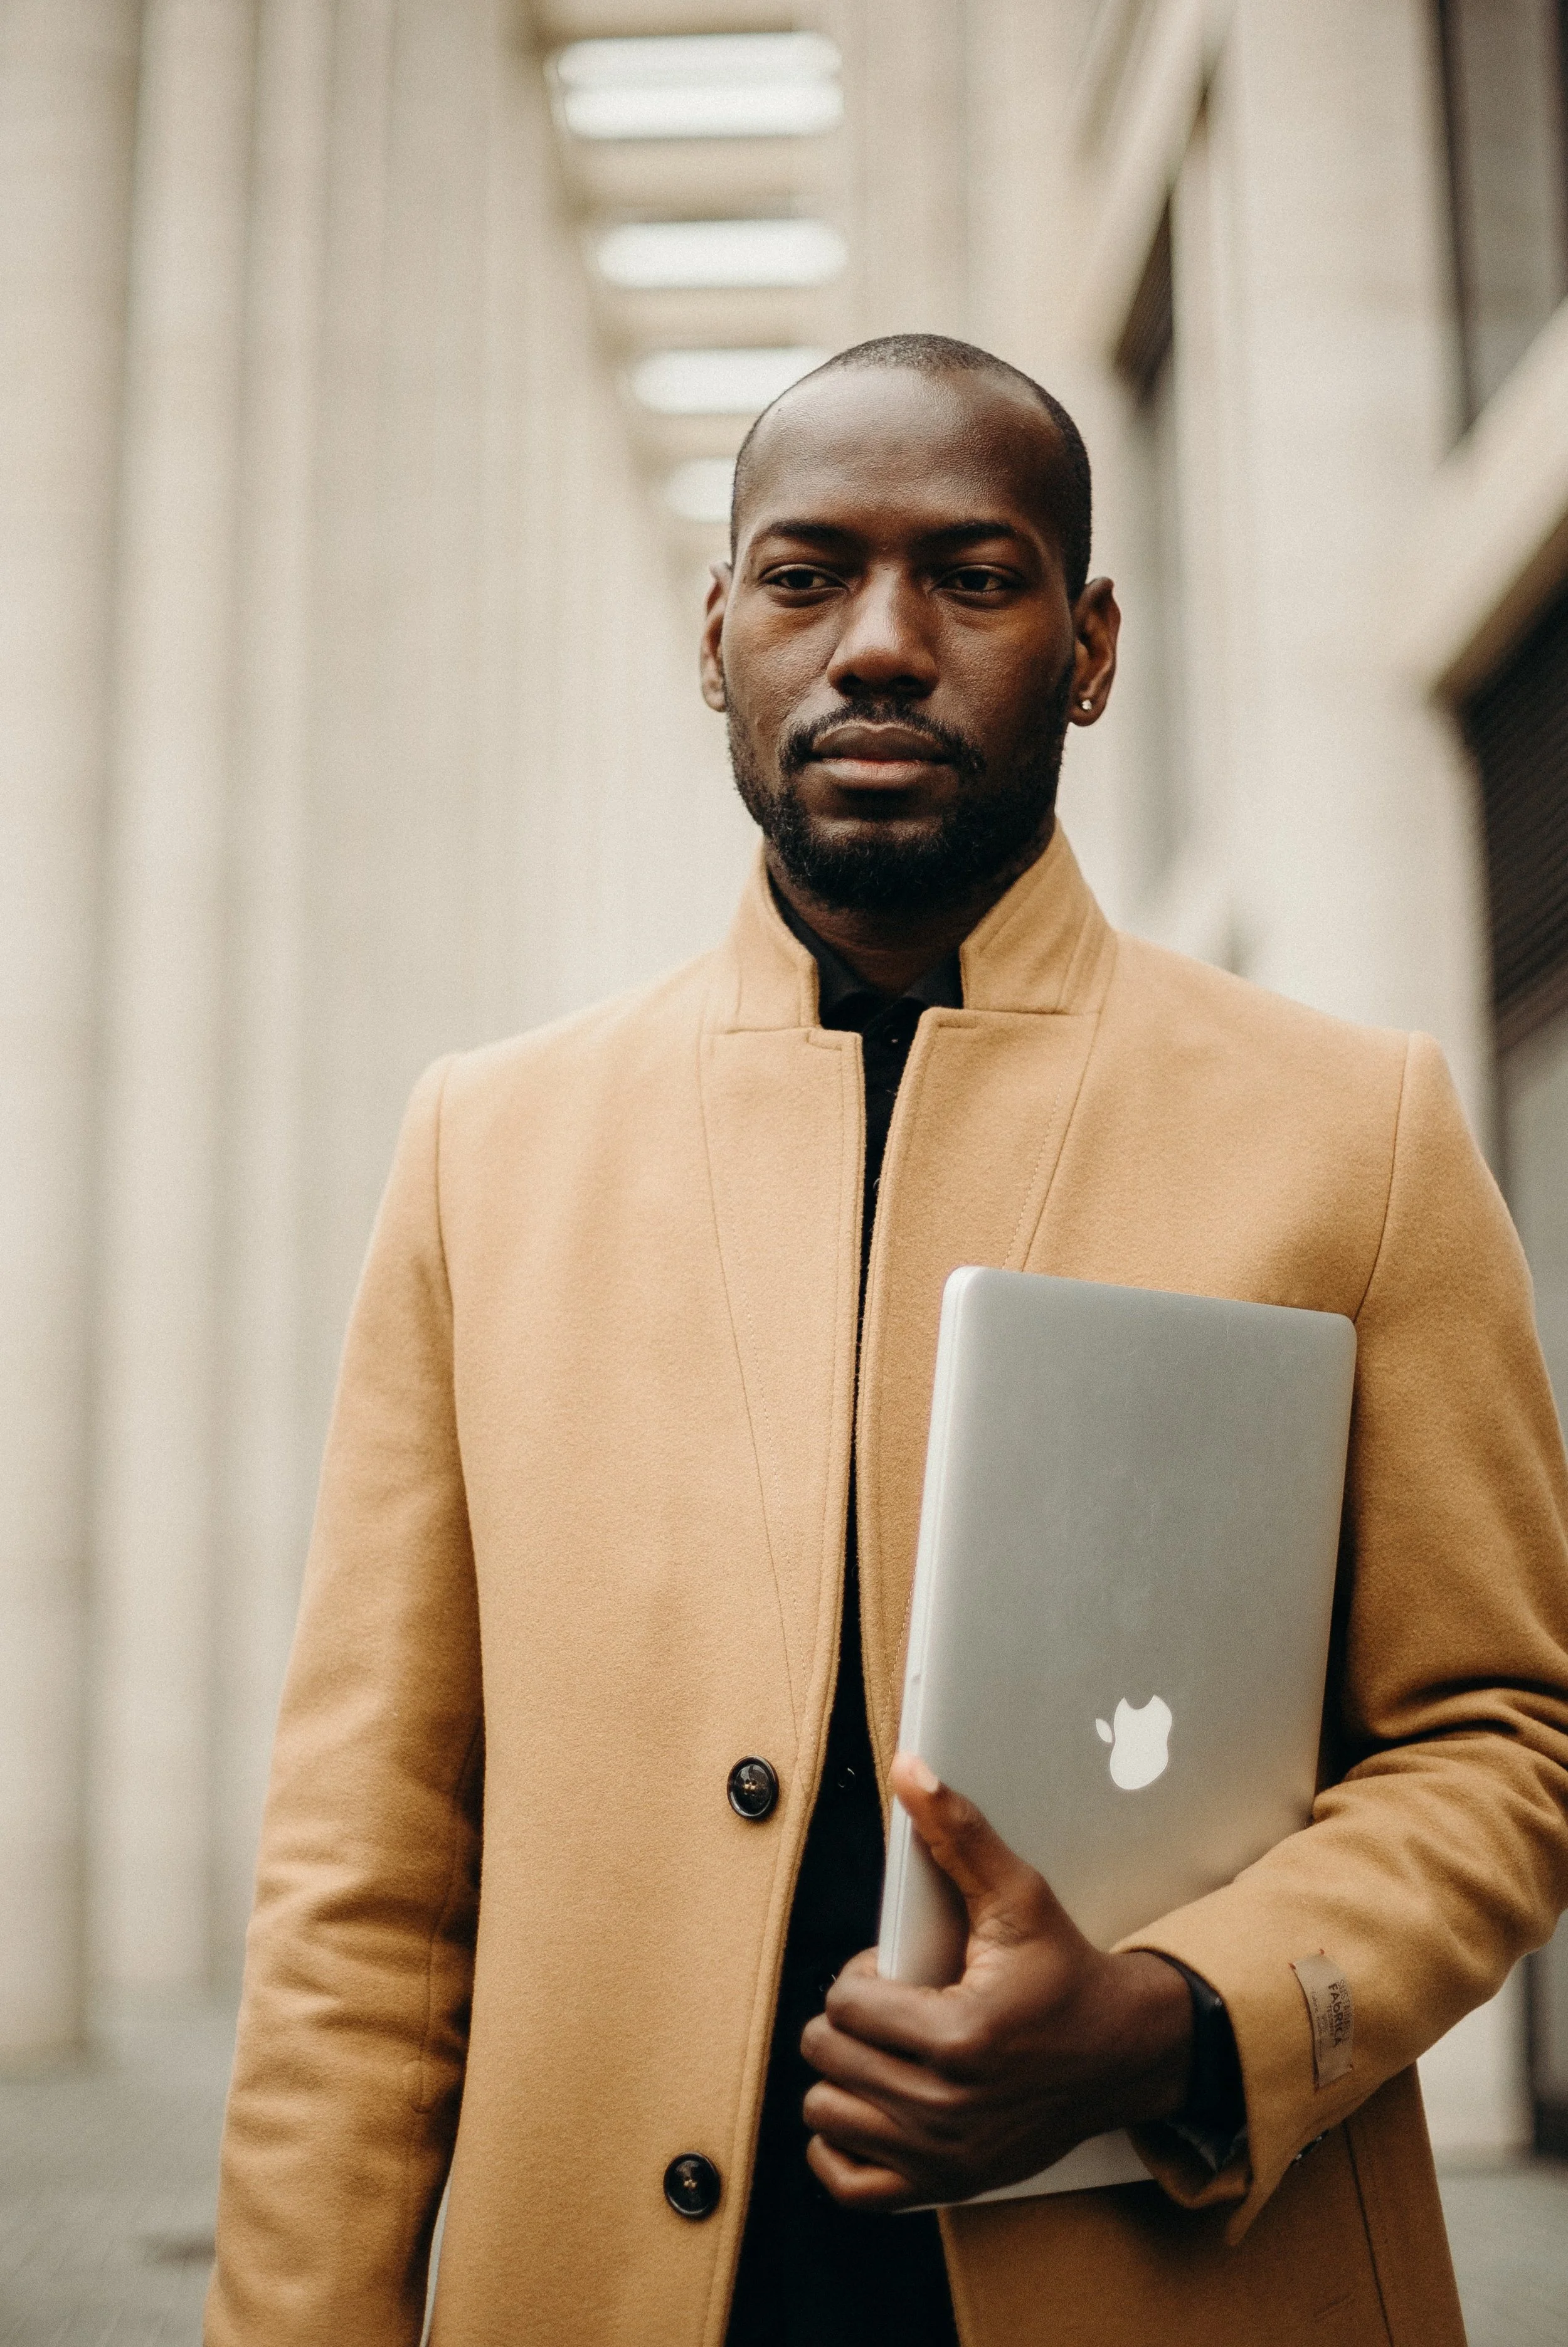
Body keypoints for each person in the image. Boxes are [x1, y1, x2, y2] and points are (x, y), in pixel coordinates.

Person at [207, 336, 1568, 2347]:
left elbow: (1497, 1739)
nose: (878, 643)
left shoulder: (1348, 1130)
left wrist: (1180, 2019)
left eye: (974, 574)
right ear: (715, 635)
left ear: (1090, 647)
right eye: (805, 572)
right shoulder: (487, 1151)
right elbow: (366, 1885)